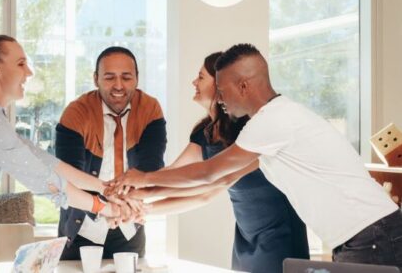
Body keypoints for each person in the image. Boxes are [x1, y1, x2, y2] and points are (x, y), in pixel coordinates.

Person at [111, 43, 402, 269]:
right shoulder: (271, 124)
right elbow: (215, 179)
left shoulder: (271, 121)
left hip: (372, 235)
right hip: (362, 237)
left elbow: (210, 173)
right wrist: (143, 196)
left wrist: (144, 177)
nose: (220, 100)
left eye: (222, 91)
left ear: (244, 86)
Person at [126, 52, 308, 273]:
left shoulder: (249, 130)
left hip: (278, 233)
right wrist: (140, 204)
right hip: (246, 236)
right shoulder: (206, 133)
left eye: (201, 77)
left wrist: (141, 192)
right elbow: (179, 176)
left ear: (220, 83)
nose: (194, 82)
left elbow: (210, 186)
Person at [0, 35, 129, 252]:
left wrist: (107, 190)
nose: (30, 72)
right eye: (21, 64)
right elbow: (42, 177)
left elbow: (44, 161)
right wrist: (103, 208)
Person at [55, 46, 167, 260]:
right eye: (109, 77)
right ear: (96, 79)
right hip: (82, 225)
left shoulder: (150, 109)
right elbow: (70, 175)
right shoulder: (76, 113)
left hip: (128, 224)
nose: (118, 86)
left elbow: (151, 167)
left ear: (137, 79)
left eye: (126, 77)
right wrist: (108, 205)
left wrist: (124, 205)